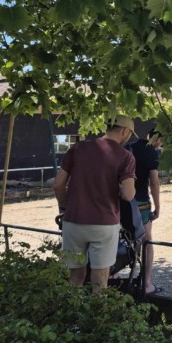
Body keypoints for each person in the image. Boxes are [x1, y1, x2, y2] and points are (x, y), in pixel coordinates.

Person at [53, 115, 136, 293]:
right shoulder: (125, 156)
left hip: (73, 221)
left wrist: (66, 207)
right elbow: (128, 195)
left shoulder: (78, 148)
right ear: (125, 131)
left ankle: (71, 316)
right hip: (104, 223)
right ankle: (97, 318)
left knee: (75, 276)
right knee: (100, 278)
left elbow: (58, 184)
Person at [128, 128, 163, 294]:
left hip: (121, 200)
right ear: (157, 140)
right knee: (147, 240)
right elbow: (154, 182)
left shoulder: (128, 147)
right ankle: (147, 283)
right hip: (141, 200)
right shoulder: (151, 152)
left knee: (121, 237)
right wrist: (158, 207)